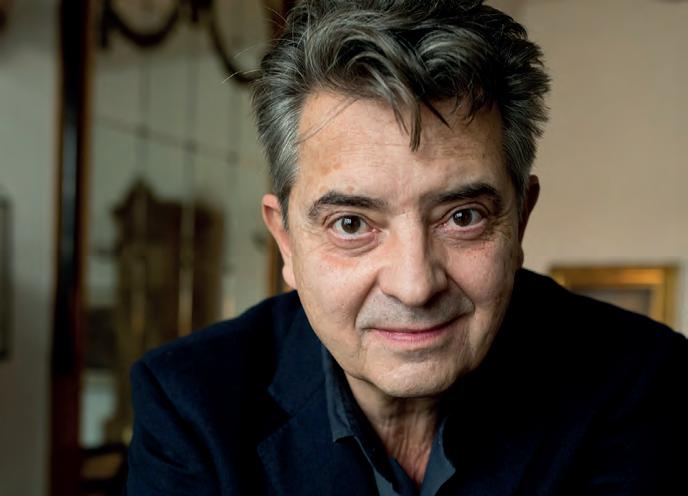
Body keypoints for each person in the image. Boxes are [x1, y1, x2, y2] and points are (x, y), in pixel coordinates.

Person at [125, 1, 688, 494]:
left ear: (520, 221)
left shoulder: (640, 381)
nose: (414, 285)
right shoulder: (190, 403)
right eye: (351, 224)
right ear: (286, 241)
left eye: (462, 217)